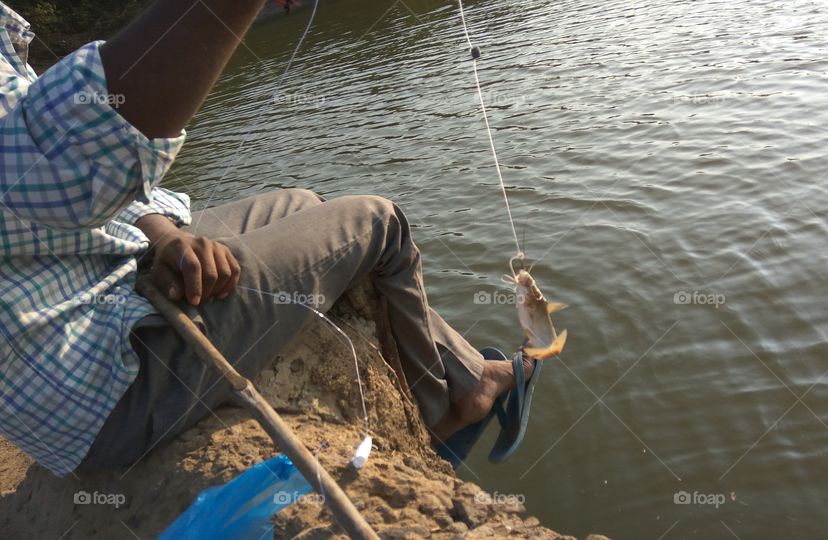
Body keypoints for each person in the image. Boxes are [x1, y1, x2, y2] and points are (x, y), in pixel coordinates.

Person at [0, 1, 534, 478]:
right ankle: (455, 403)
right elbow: (64, 166)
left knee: (302, 202)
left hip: (107, 274)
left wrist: (162, 233)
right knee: (378, 222)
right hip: (103, 387)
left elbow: (49, 201)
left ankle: (465, 370)